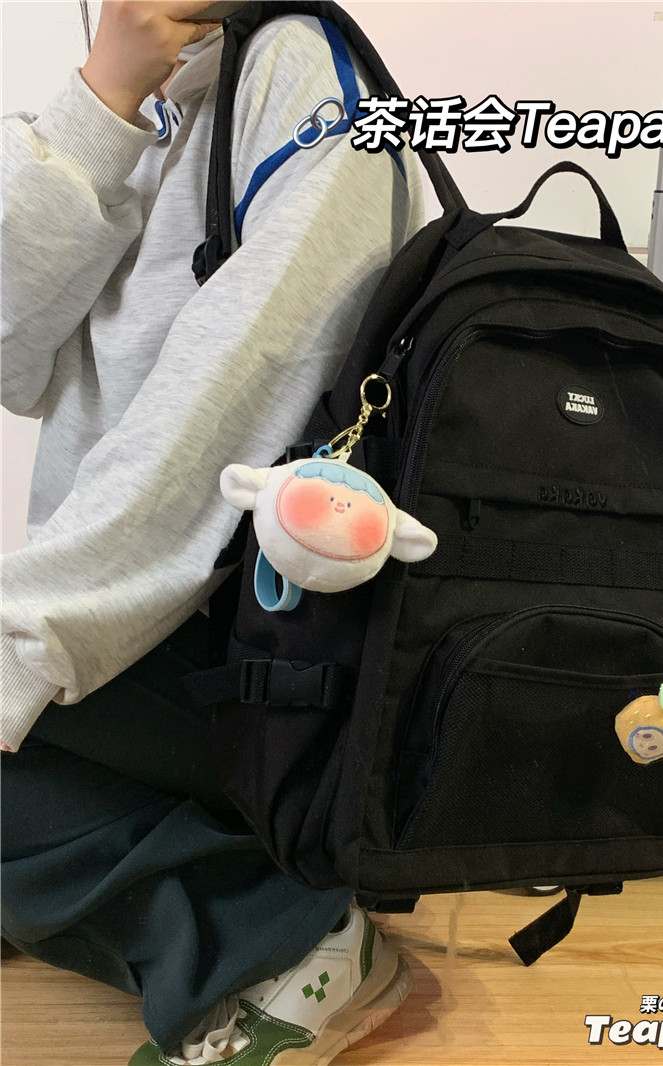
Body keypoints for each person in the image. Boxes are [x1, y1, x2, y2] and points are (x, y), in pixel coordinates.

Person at [0, 2, 422, 1062]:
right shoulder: (156, 93)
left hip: (247, 653)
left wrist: (20, 647)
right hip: (148, 623)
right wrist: (102, 103)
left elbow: (211, 442)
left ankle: (279, 939)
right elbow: (10, 355)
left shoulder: (308, 87)